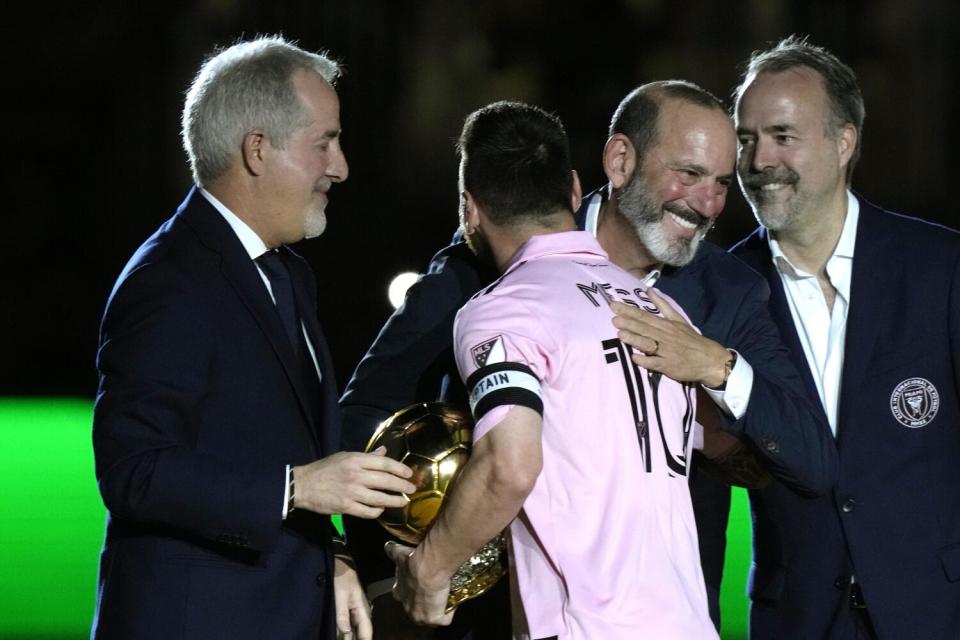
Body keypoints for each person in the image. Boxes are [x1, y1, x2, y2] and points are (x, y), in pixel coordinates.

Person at [340, 81, 837, 637]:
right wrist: (359, 562)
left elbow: (807, 457)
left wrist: (719, 368)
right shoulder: (493, 276)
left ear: (471, 210)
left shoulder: (719, 296)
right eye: (690, 174)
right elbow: (366, 415)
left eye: (722, 183)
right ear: (613, 164)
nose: (709, 203)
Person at [90, 36, 416, 640]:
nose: (341, 167)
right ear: (258, 150)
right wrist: (297, 487)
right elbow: (133, 470)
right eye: (325, 143)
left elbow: (282, 447)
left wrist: (334, 555)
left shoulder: (287, 273)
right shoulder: (169, 279)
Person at [385, 99, 719, 639]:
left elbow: (510, 466)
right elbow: (718, 441)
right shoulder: (661, 310)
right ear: (571, 190)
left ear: (469, 210)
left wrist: (428, 571)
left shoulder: (505, 309)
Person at [730, 35, 960, 639]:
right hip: (796, 619)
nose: (758, 161)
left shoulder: (941, 268)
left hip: (934, 612)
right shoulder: (721, 289)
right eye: (746, 140)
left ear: (844, 141)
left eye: (783, 136)